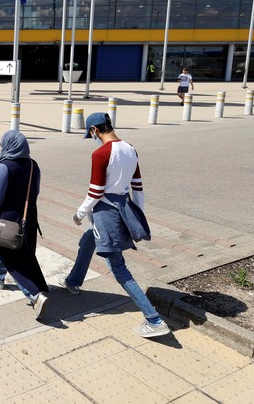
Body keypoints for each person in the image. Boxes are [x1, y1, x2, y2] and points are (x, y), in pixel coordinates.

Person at [56, 112, 171, 338]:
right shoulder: (130, 149)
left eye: (91, 135)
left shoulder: (100, 153)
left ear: (94, 130)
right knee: (88, 242)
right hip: (123, 206)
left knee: (117, 266)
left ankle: (154, 319)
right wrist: (136, 213)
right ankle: (73, 281)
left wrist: (79, 214)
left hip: (105, 213)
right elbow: (137, 187)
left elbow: (96, 191)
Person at [0, 130, 50, 319]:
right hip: (28, 217)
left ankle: (35, 295)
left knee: (10, 255)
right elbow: (35, 192)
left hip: (8, 218)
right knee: (10, 248)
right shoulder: (33, 165)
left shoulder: (4, 166)